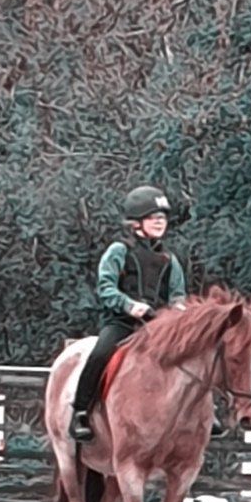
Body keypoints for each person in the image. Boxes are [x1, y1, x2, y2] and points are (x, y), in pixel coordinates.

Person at [69, 185, 188, 442]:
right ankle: (80, 411)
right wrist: (129, 305)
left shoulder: (170, 259)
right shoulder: (119, 251)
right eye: (153, 217)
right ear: (136, 223)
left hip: (157, 326)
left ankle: (204, 413)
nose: (160, 222)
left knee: (192, 355)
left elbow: (177, 293)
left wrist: (178, 308)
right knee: (100, 352)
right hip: (123, 322)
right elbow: (106, 287)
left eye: (163, 217)